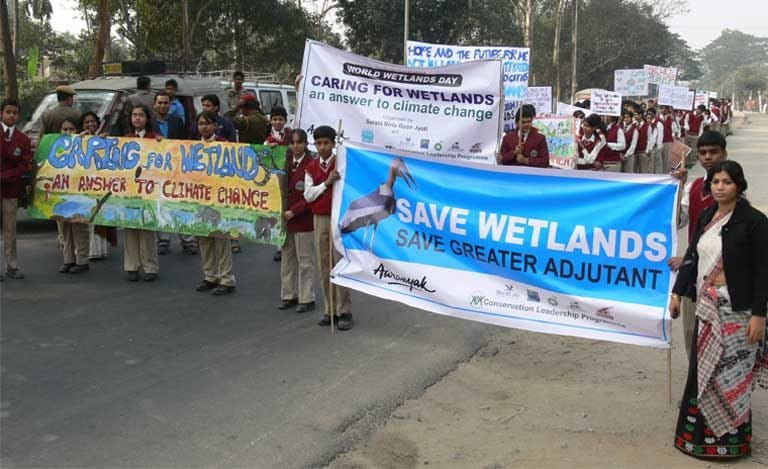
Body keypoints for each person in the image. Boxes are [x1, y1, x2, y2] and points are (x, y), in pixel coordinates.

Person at [669, 160, 767, 460]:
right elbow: (692, 257)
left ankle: (732, 442)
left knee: (732, 375)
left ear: (739, 185)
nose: (720, 187)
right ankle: (697, 440)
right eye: (715, 183)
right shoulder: (708, 216)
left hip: (739, 311)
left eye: (726, 182)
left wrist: (759, 316)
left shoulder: (754, 222)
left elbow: (764, 271)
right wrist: (677, 293)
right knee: (705, 372)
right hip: (707, 308)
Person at [668, 131, 729, 357]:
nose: (707, 157)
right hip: (694, 271)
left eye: (714, 152)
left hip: (722, 275)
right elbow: (678, 221)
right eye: (703, 153)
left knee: (719, 334)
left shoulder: (733, 188)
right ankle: (694, 388)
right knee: (692, 333)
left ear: (724, 153)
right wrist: (677, 187)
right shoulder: (693, 187)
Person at [304, 125, 353, 330]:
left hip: (339, 218)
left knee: (339, 262)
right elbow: (308, 195)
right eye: (318, 143)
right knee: (325, 265)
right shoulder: (312, 167)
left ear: (334, 144)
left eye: (326, 143)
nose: (322, 147)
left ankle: (344, 310)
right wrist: (326, 183)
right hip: (320, 218)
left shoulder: (341, 164)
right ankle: (330, 309)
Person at [194, 111, 236, 295]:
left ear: (215, 125)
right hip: (200, 197)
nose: (203, 127)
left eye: (207, 123)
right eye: (201, 123)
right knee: (204, 239)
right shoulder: (192, 147)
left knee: (221, 239)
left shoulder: (224, 145)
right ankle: (210, 276)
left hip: (220, 198)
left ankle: (226, 278)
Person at [153, 92, 197, 256]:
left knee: (180, 204)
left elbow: (184, 142)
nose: (163, 106)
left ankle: (188, 240)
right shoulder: (150, 124)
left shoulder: (177, 121)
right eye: (160, 103)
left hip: (176, 169)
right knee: (160, 205)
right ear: (154, 105)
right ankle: (163, 240)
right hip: (156, 171)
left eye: (166, 103)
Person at [278, 128, 316, 313]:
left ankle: (307, 298)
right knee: (287, 258)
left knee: (305, 260)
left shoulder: (311, 164)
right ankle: (289, 295)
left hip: (303, 219)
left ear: (305, 144)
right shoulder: (285, 163)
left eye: (299, 142)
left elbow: (313, 196)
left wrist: (295, 211)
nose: (295, 146)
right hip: (286, 219)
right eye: (292, 143)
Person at [123, 105, 160, 282]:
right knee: (130, 227)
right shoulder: (125, 140)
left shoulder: (156, 139)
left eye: (141, 115)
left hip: (148, 190)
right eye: (134, 115)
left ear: (147, 118)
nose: (137, 118)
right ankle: (132, 266)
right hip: (130, 190)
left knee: (147, 229)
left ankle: (150, 266)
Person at [0, 98, 32, 279]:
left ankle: (12, 266)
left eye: (14, 112)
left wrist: (7, 176)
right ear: (1, 113)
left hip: (11, 190)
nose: (11, 115)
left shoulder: (23, 139)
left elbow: (25, 164)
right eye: (8, 112)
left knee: (10, 230)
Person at [57, 118, 91, 273]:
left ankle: (82, 260)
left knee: (79, 226)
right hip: (62, 193)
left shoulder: (84, 145)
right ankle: (68, 260)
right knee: (64, 228)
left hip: (79, 193)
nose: (68, 132)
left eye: (71, 129)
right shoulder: (55, 147)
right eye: (64, 129)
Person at [80, 112, 115, 261]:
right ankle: (84, 250)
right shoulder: (79, 139)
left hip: (100, 183)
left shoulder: (104, 137)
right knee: (85, 218)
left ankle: (98, 250)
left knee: (99, 217)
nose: (90, 125)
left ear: (97, 123)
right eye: (86, 122)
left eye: (92, 122)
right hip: (84, 183)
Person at [265, 105, 291, 262]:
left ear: (285, 121)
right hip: (275, 179)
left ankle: (289, 243)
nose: (277, 122)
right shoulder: (268, 138)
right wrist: (268, 148)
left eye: (280, 119)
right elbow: (261, 156)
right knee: (277, 211)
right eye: (275, 119)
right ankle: (279, 246)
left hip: (290, 176)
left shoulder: (290, 135)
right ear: (270, 120)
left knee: (289, 210)